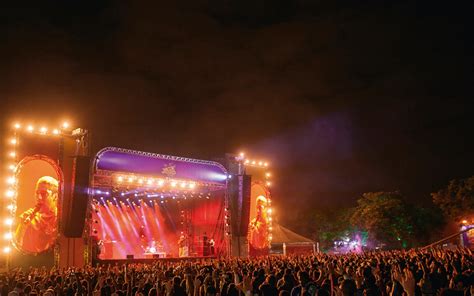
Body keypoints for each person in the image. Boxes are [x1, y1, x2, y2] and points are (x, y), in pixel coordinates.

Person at [14, 176, 59, 254]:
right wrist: (21, 226)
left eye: (44, 194)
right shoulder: (31, 220)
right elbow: (16, 250)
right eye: (37, 193)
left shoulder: (61, 220)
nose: (39, 197)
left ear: (55, 196)